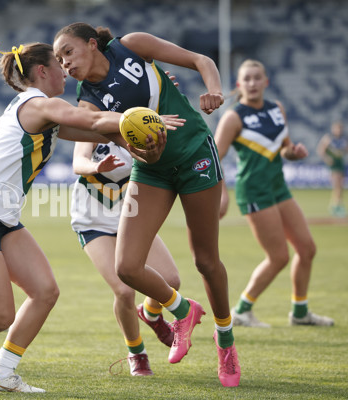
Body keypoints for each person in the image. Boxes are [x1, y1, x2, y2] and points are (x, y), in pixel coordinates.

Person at [0, 41, 182, 392]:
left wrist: (154, 99)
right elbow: (92, 118)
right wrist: (137, 118)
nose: (65, 69)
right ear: (42, 72)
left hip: (1, 217)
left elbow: (97, 130)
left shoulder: (43, 111)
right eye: (58, 64)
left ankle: (3, 375)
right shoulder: (38, 104)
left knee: (45, 292)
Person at [53, 22, 240, 387]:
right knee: (126, 268)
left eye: (68, 53)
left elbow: (202, 60)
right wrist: (144, 150)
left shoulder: (132, 45)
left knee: (205, 259)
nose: (65, 64)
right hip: (152, 172)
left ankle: (226, 343)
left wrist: (214, 92)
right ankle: (184, 312)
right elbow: (134, 150)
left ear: (92, 44)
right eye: (59, 60)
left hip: (195, 155)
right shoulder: (88, 100)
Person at [215, 59, 334, 328]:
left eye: (258, 78)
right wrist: (222, 194)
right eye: (247, 79)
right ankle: (242, 311)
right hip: (254, 190)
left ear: (266, 81)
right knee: (279, 256)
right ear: (239, 85)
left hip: (278, 187)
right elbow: (214, 158)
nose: (253, 83)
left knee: (307, 248)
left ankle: (300, 313)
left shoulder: (277, 109)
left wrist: (294, 152)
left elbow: (284, 148)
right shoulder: (233, 117)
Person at [70, 139, 181, 376]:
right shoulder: (92, 125)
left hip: (130, 218)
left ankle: (151, 314)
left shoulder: (138, 128)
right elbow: (78, 162)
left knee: (171, 280)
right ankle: (137, 353)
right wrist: (95, 167)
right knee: (124, 291)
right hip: (93, 222)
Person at [317, 121, 347, 217]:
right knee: (337, 185)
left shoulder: (343, 139)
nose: (338, 131)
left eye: (340, 129)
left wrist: (341, 153)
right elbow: (321, 150)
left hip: (340, 164)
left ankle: (337, 205)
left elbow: (345, 150)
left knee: (340, 186)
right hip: (333, 165)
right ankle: (335, 206)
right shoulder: (328, 138)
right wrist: (327, 159)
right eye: (337, 128)